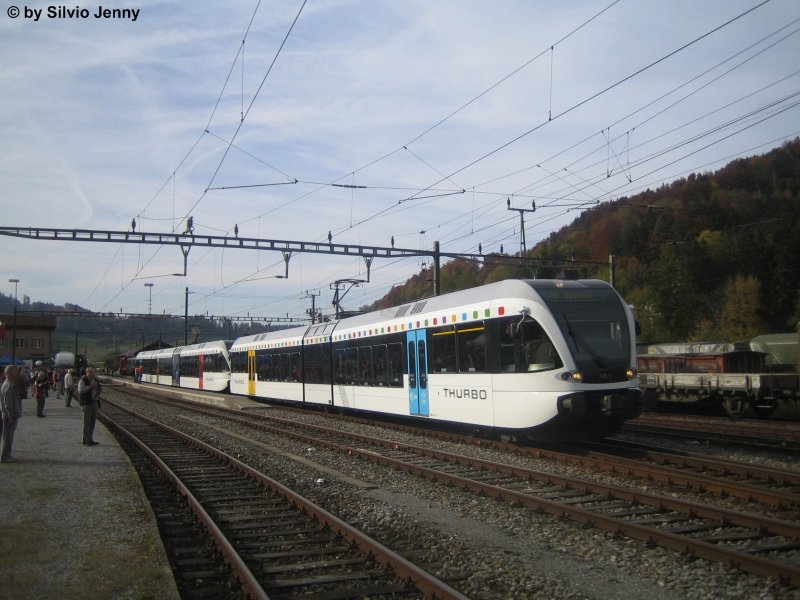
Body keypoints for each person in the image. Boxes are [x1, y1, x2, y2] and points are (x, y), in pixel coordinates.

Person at [1, 366, 23, 463]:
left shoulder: (11, 383)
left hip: (13, 414)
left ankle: (7, 454)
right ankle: (5, 456)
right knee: (7, 436)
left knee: (9, 435)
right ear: (10, 373)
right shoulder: (8, 385)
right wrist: (9, 415)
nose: (17, 373)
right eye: (15, 372)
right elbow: (7, 403)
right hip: (10, 415)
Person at [77, 367, 101, 446]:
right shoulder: (83, 380)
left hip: (95, 403)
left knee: (92, 423)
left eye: (94, 373)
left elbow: (98, 389)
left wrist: (99, 388)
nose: (94, 374)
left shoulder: (95, 380)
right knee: (87, 423)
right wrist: (90, 386)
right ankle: (85, 440)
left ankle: (90, 439)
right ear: (88, 373)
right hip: (87, 403)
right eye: (92, 373)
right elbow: (80, 391)